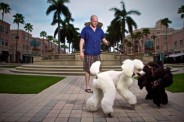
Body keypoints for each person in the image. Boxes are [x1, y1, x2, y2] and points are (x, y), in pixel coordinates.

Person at [79, 15, 109, 93]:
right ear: (91, 20)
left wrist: (107, 42)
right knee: (87, 70)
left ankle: (98, 86)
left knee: (98, 70)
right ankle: (87, 87)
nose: (96, 23)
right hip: (88, 53)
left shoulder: (100, 30)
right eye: (94, 21)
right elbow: (82, 41)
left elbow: (103, 39)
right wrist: (81, 51)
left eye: (97, 21)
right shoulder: (85, 30)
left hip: (97, 53)